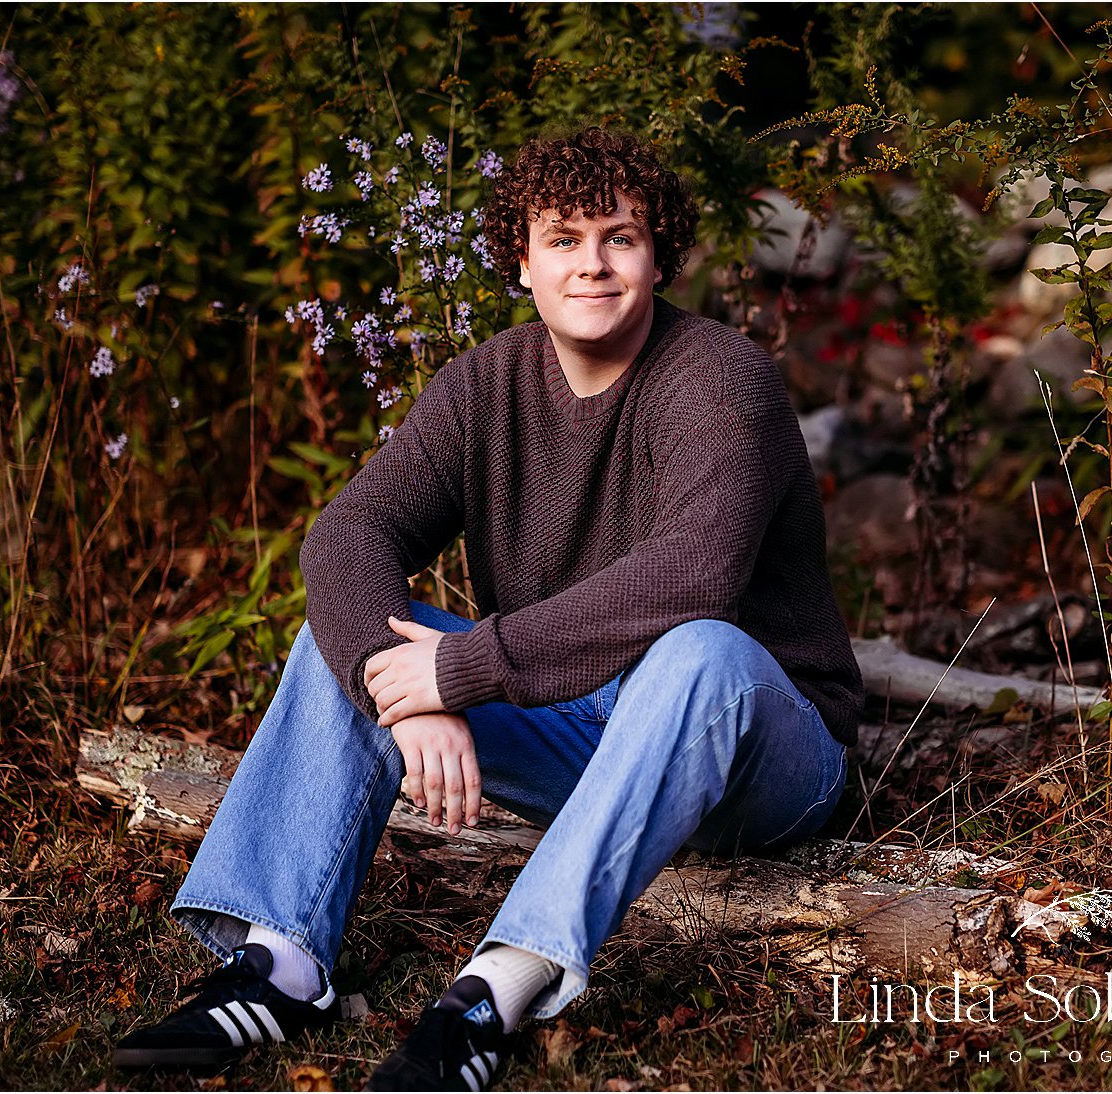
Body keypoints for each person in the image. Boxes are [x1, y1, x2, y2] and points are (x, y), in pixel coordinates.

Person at [111, 126, 863, 1091]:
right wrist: (414, 698)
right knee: (359, 632)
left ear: (660, 255)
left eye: (619, 238)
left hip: (760, 755)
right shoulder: (486, 385)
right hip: (581, 724)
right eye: (563, 239)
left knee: (703, 650)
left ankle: (492, 991)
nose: (591, 264)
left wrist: (463, 671)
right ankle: (282, 965)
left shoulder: (721, 381)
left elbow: (695, 573)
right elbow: (349, 536)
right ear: (522, 260)